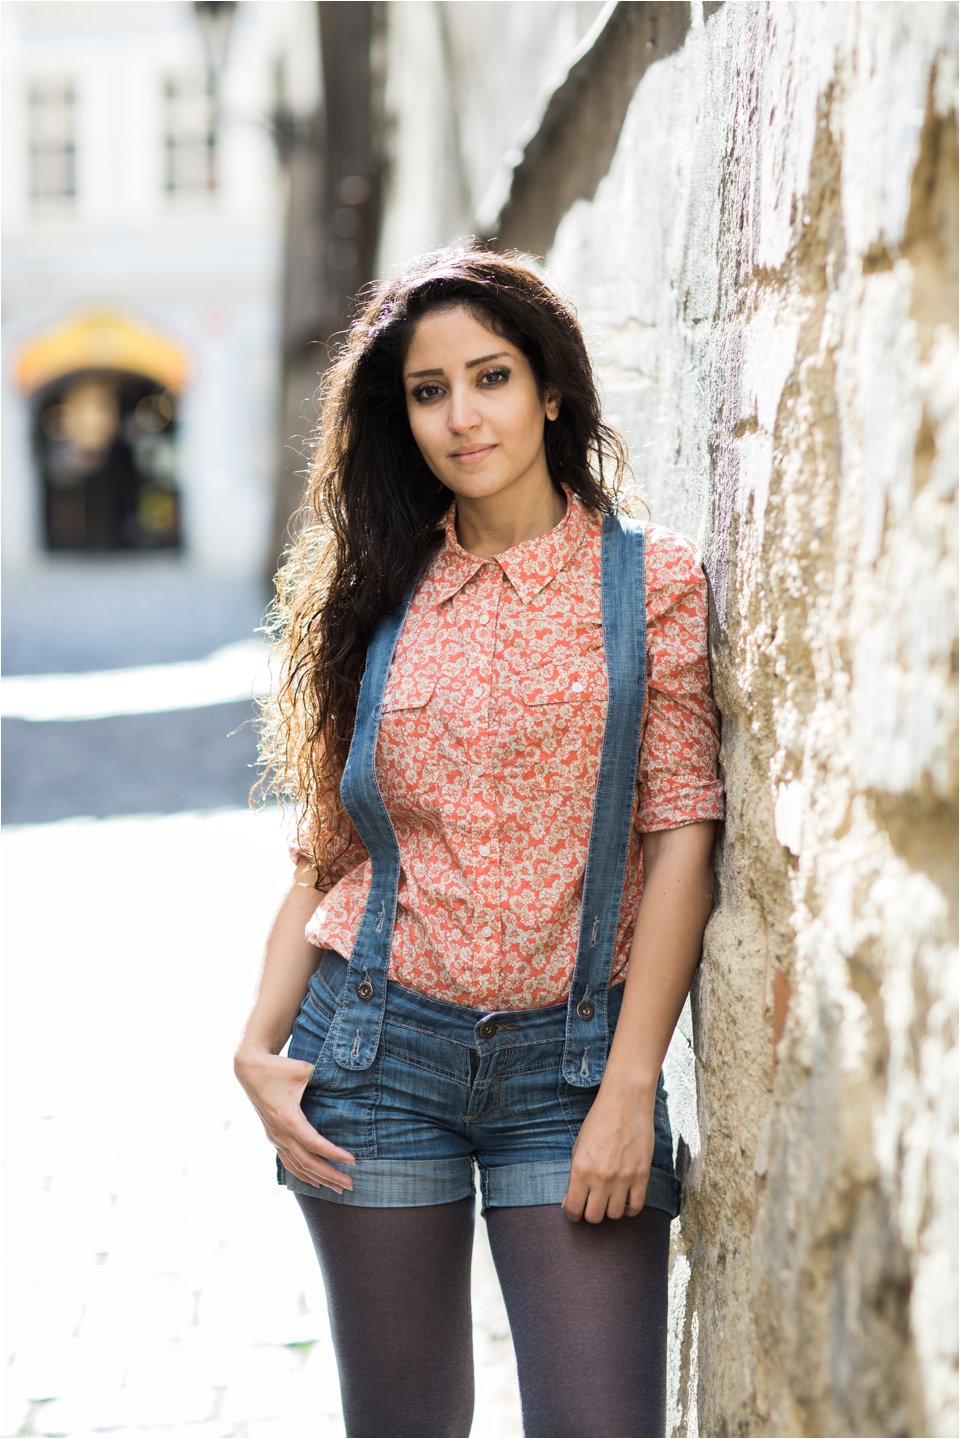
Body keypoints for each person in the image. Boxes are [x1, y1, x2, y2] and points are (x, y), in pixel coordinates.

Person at [236, 244, 724, 1439]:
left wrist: (627, 1089)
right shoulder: (376, 589)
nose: (463, 415)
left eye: (491, 376)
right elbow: (327, 846)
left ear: (550, 387)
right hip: (375, 1053)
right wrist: (256, 1040)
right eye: (428, 389)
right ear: (400, 415)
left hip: (571, 1069)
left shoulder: (646, 583)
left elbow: (683, 841)